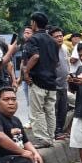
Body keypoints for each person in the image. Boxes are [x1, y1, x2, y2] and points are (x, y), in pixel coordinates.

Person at [20, 12, 60, 148]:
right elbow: (56, 62)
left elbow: (35, 56)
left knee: (37, 111)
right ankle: (50, 137)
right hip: (51, 81)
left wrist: (26, 71)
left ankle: (43, 138)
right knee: (50, 110)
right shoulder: (53, 41)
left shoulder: (33, 39)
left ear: (34, 24)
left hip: (38, 80)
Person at [50, 27, 72, 140]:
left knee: (63, 109)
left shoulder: (64, 48)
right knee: (54, 110)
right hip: (54, 86)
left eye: (60, 36)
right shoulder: (49, 50)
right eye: (56, 37)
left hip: (64, 85)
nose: (59, 38)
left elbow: (66, 63)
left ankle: (60, 130)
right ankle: (54, 132)